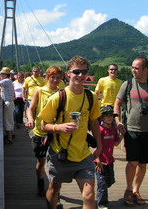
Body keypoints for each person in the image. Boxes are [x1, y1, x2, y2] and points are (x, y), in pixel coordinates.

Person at [40, 56, 102, 209]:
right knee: (54, 189)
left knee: (89, 196)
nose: (81, 75)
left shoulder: (91, 97)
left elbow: (94, 122)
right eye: (76, 72)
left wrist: (99, 146)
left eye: (84, 72)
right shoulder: (58, 98)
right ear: (68, 74)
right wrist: (59, 127)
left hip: (83, 154)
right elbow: (43, 125)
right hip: (60, 153)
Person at [113, 57, 148, 206]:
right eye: (132, 67)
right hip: (131, 129)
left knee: (143, 164)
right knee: (132, 162)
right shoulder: (128, 84)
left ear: (145, 70)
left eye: (136, 68)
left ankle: (136, 191)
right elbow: (117, 104)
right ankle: (129, 190)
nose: (133, 70)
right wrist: (118, 122)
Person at [25, 66, 63, 197]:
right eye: (53, 77)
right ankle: (40, 181)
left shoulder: (61, 93)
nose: (55, 80)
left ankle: (55, 191)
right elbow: (30, 109)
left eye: (58, 78)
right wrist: (30, 119)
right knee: (41, 162)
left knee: (56, 163)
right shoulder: (39, 91)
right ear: (47, 77)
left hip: (55, 132)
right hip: (40, 132)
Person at [94, 105, 124, 209]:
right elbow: (95, 146)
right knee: (102, 183)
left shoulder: (113, 130)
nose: (110, 117)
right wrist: (97, 159)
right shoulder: (99, 130)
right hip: (100, 161)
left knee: (109, 182)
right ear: (101, 118)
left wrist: (122, 135)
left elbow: (115, 143)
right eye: (107, 116)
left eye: (111, 115)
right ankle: (102, 204)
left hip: (109, 161)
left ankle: (103, 200)